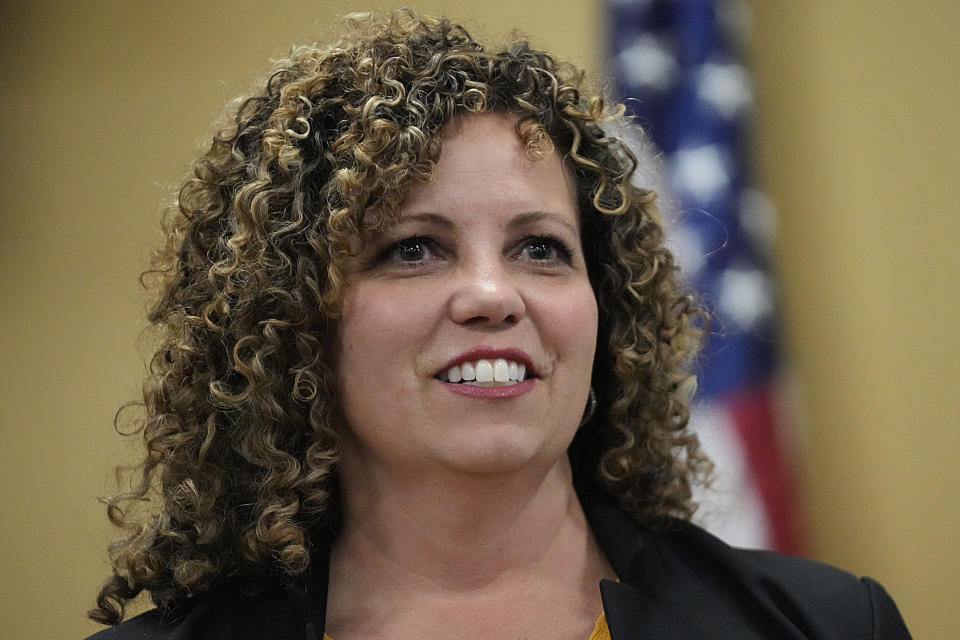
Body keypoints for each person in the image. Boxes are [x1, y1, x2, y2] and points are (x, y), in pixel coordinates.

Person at [85, 10, 911, 640]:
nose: (492, 293)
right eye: (413, 249)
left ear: (607, 308)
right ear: (293, 318)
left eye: (541, 248)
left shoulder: (826, 625)